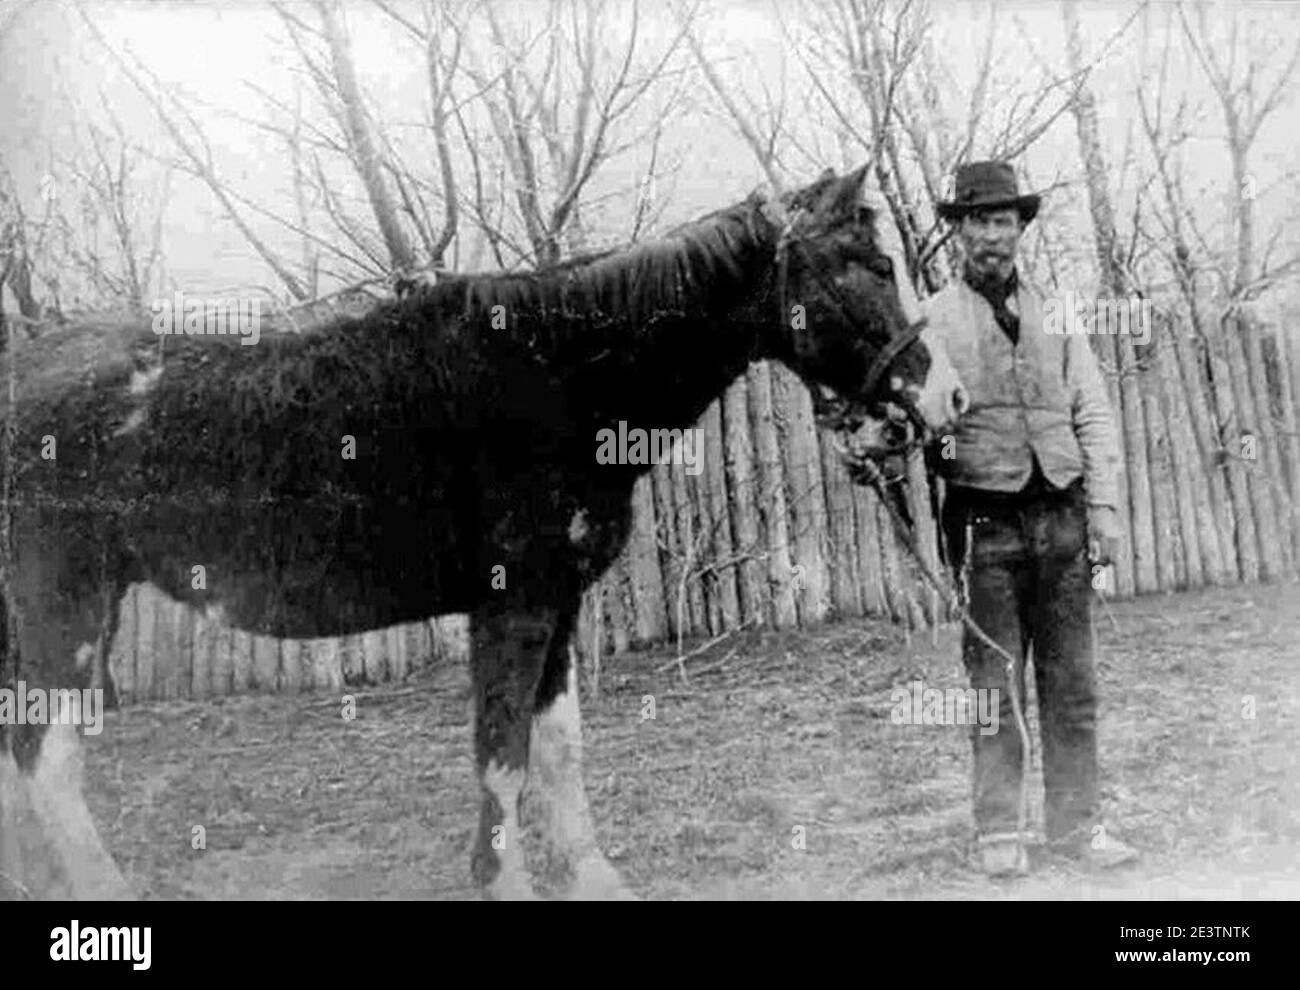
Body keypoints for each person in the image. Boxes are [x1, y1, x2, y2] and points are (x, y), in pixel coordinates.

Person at [925, 160, 1140, 876]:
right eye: (979, 221)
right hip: (985, 527)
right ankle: (999, 833)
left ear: (1021, 229)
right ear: (957, 231)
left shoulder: (1061, 312)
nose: (994, 235)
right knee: (993, 683)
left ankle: (1079, 828)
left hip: (1064, 520)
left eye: (1005, 220)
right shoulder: (930, 321)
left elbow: (1093, 411)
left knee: (1073, 682)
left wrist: (1104, 509)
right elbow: (918, 425)